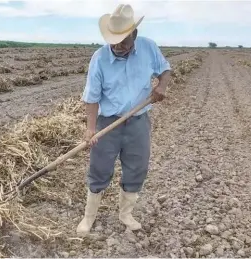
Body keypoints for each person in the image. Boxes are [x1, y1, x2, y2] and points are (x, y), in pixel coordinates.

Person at [77, 4, 171, 234]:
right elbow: (92, 98)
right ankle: (89, 217)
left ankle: (125, 215)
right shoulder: (99, 58)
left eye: (123, 41)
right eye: (114, 41)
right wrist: (90, 129)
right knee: (99, 168)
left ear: (134, 34)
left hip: (138, 121)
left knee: (137, 167)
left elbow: (165, 69)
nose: (118, 46)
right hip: (107, 123)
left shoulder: (149, 48)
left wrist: (162, 85)